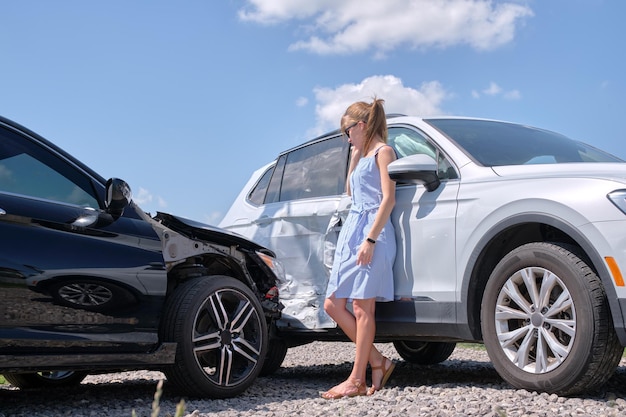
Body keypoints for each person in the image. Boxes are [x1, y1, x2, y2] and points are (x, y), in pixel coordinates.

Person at [321, 98, 397, 399]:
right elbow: (351, 192)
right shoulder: (363, 154)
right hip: (352, 230)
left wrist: (370, 239)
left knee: (361, 307)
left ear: (361, 126)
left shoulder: (384, 152)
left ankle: (356, 379)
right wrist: (354, 158)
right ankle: (378, 361)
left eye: (348, 130)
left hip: (371, 232)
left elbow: (388, 199)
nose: (346, 136)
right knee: (332, 304)